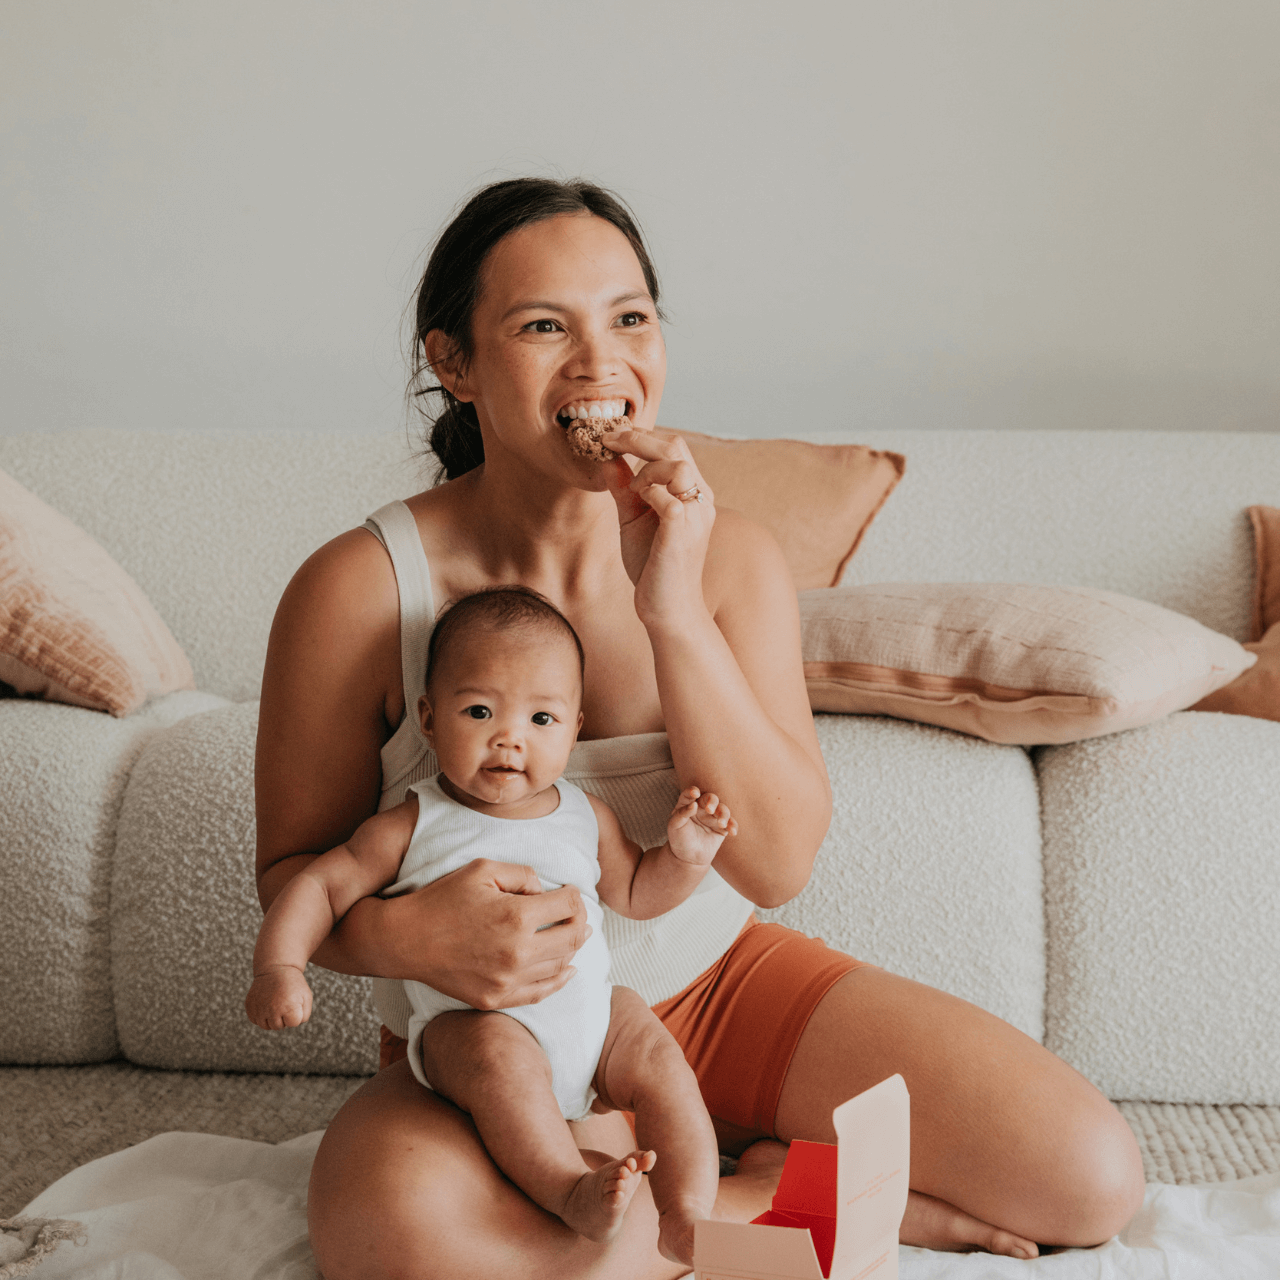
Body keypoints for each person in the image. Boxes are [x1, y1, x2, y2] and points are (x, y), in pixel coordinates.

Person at [254, 177, 1146, 1279]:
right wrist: (406, 938)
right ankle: (748, 1201)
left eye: (628, 318)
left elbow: (775, 862)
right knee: (398, 1248)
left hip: (719, 991)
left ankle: (703, 1191)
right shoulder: (355, 588)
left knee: (1088, 1177)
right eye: (544, 326)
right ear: (456, 361)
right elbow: (293, 872)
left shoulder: (731, 559)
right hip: (493, 1041)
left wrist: (669, 606)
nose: (600, 364)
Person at [247, 585, 733, 1264]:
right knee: (498, 1057)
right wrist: (280, 964)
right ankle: (570, 1189)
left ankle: (687, 1210)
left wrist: (684, 857)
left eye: (541, 718)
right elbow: (321, 887)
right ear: (429, 717)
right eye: (480, 711)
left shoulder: (584, 814)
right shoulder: (414, 823)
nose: (510, 737)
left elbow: (636, 892)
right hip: (471, 1028)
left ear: (575, 727)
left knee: (656, 1053)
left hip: (591, 1023)